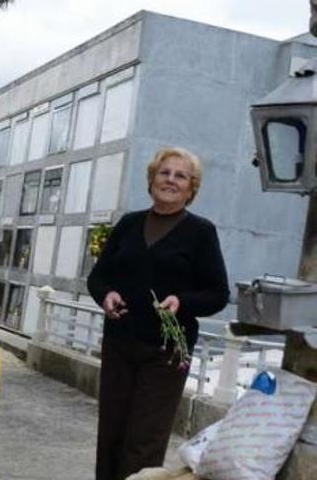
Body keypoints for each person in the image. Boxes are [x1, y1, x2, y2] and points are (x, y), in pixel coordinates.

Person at [87, 147, 229, 480]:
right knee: (111, 432)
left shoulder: (201, 232)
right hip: (120, 342)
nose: (171, 180)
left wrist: (182, 302)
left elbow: (218, 294)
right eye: (164, 173)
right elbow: (98, 276)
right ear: (151, 180)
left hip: (167, 351)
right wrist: (105, 294)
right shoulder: (129, 223)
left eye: (181, 176)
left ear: (191, 188)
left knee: (144, 439)